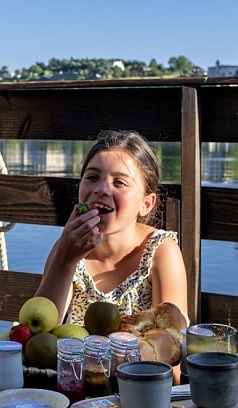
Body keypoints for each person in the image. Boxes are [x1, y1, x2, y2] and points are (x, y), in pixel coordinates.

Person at [37, 130, 188, 326]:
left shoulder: (160, 251)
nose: (102, 189)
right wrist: (65, 261)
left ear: (147, 204)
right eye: (92, 177)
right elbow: (41, 332)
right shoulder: (68, 246)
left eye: (119, 182)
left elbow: (174, 339)